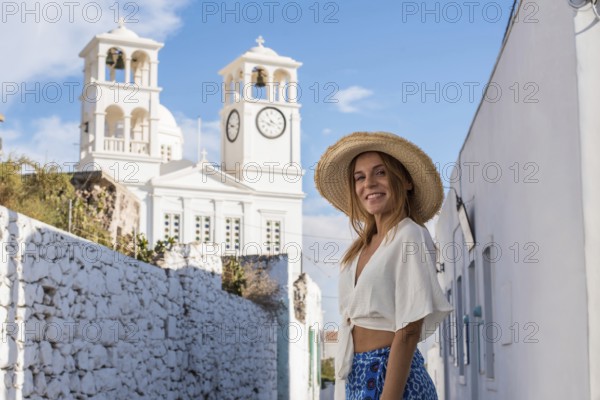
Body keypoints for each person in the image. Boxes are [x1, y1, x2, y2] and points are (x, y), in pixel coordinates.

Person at [314, 131, 454, 400]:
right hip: (357, 374)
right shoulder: (359, 248)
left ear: (405, 181)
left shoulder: (409, 235)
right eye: (360, 177)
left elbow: (409, 329)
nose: (369, 183)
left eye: (381, 173)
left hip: (392, 378)